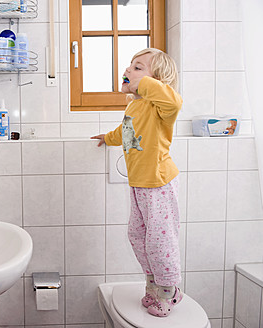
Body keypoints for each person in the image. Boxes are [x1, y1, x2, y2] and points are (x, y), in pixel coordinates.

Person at [91, 48, 183, 317]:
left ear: (156, 81)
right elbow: (128, 133)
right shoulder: (134, 104)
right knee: (137, 235)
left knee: (160, 240)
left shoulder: (160, 106)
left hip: (158, 182)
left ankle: (169, 291)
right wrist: (108, 138)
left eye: (139, 67)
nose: (130, 69)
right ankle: (154, 283)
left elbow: (175, 102)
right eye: (130, 65)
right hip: (139, 183)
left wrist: (144, 83)